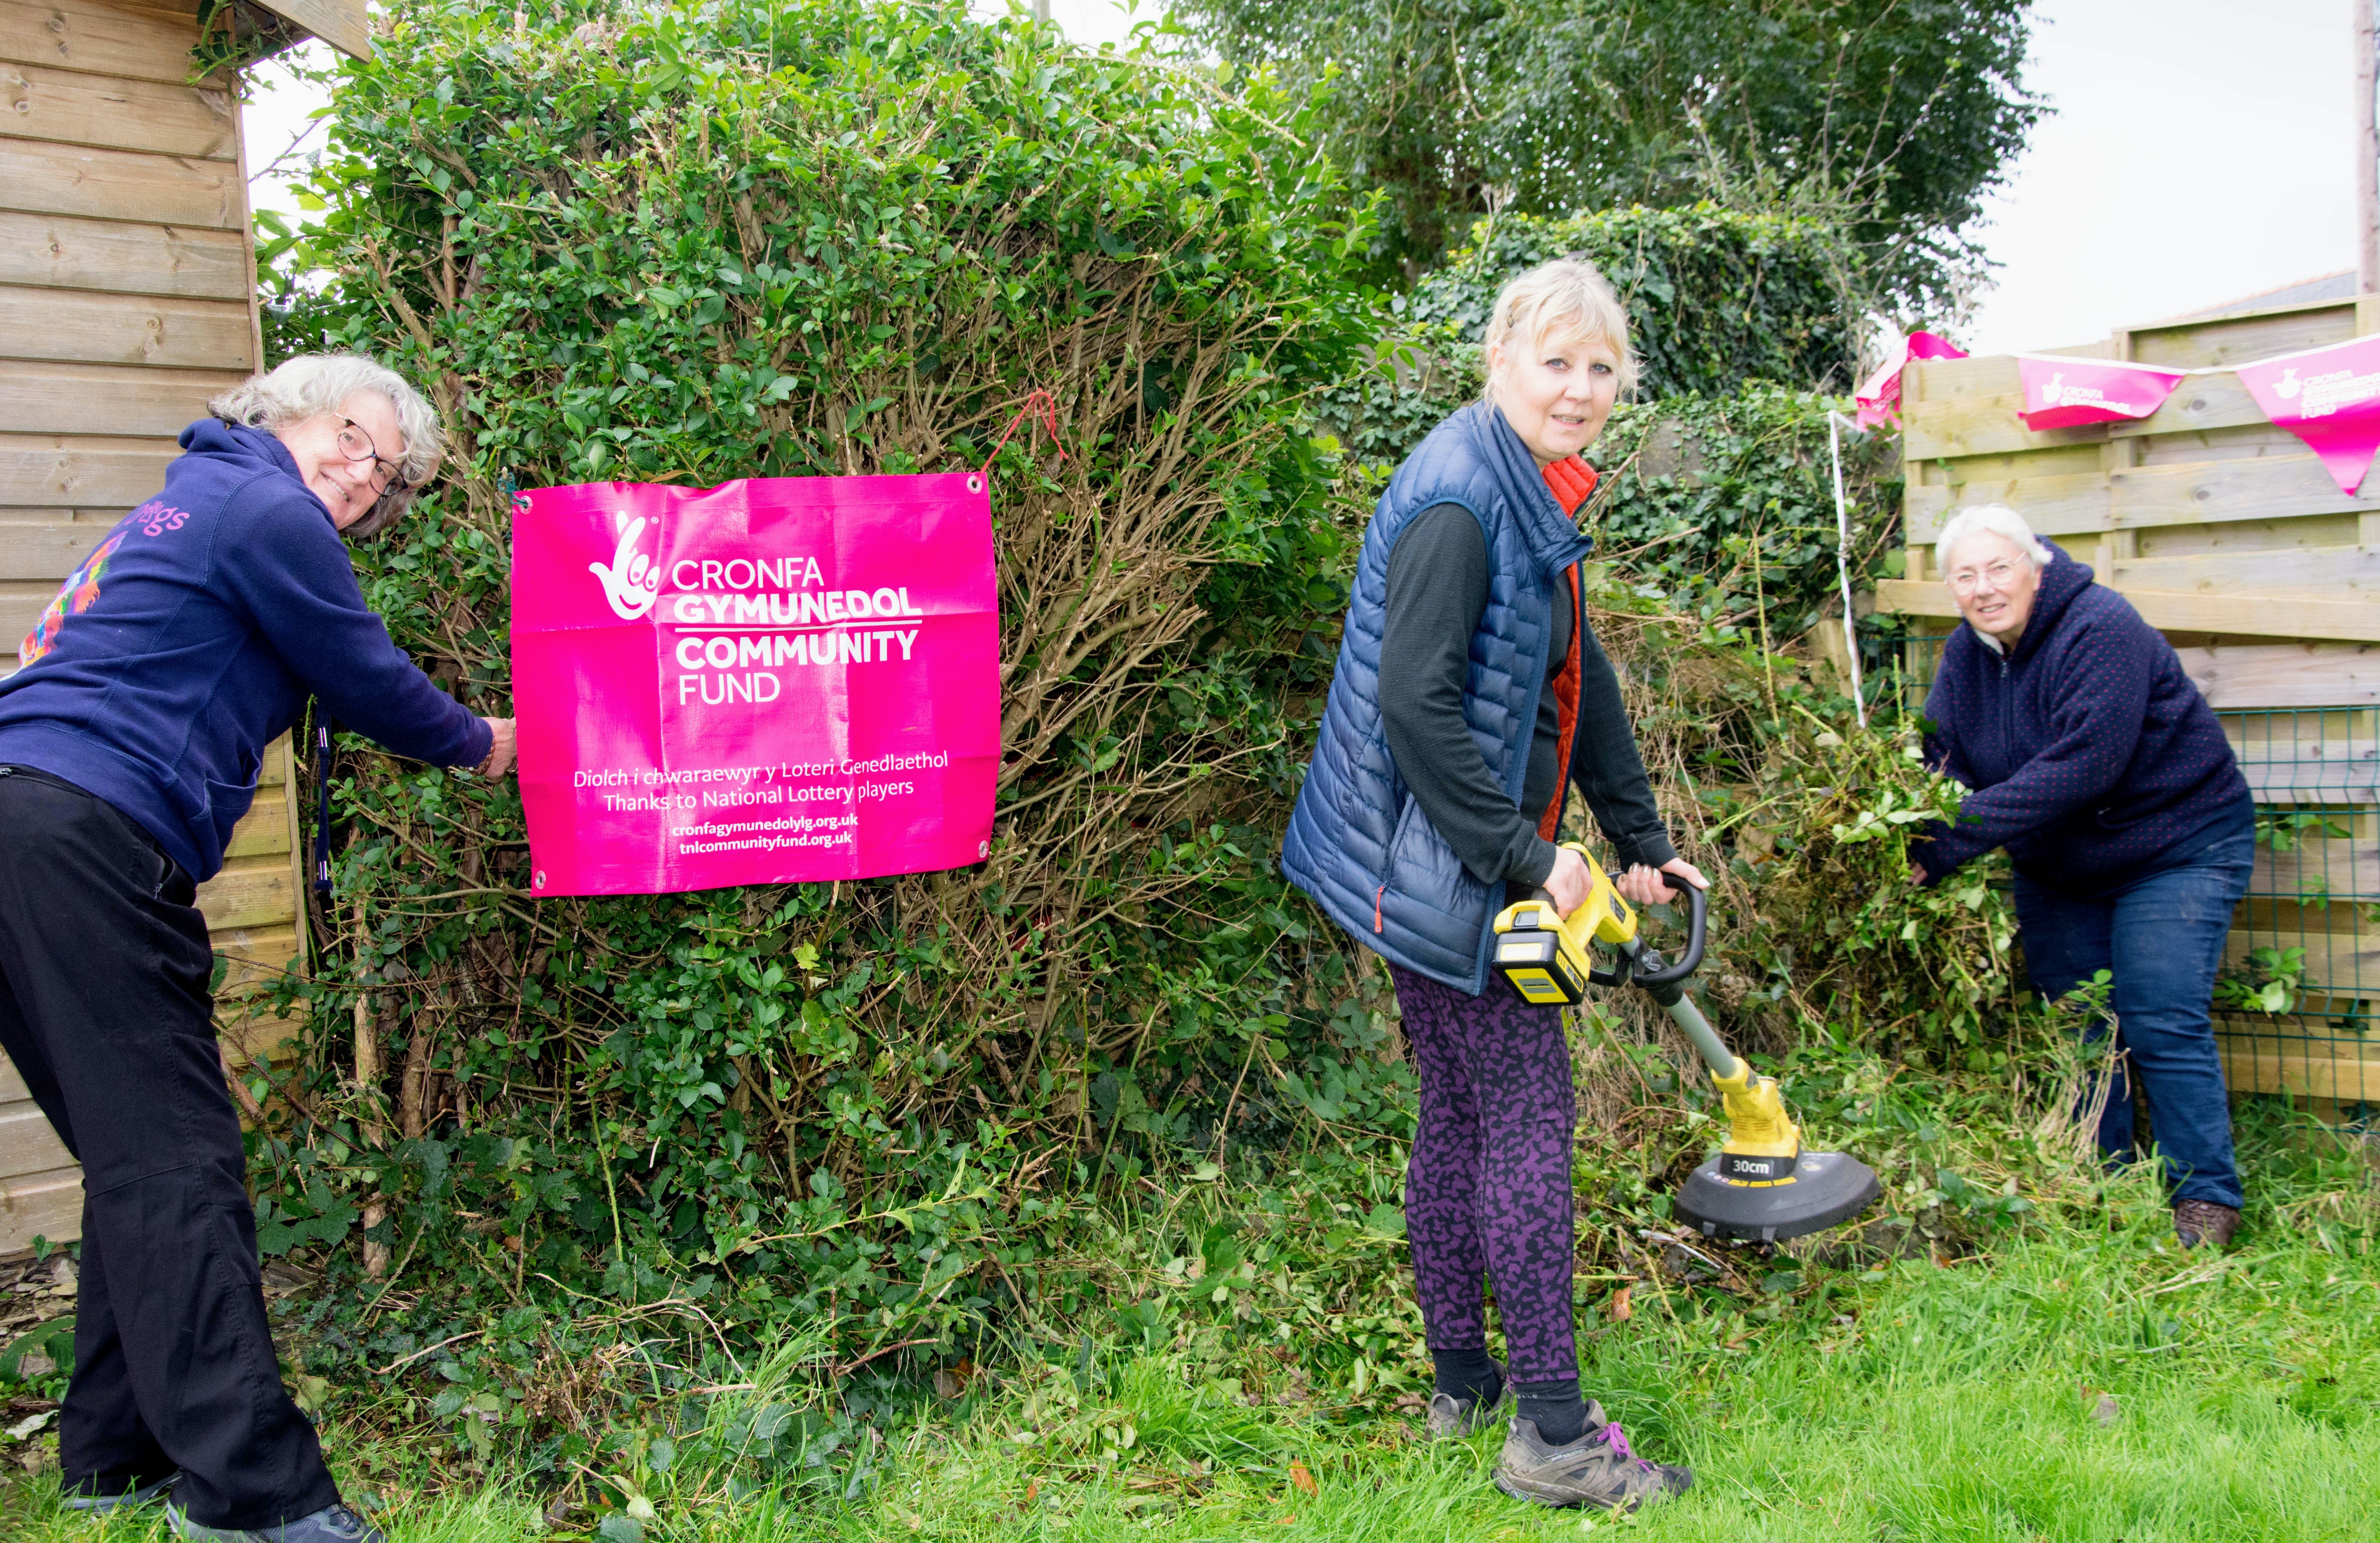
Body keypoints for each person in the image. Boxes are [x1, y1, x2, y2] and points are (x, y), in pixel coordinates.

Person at [0, 354, 514, 1542]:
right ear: (284, 408)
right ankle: (253, 1499)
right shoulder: (263, 505)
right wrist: (482, 743)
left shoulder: (193, 502)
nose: (357, 471)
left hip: (27, 820)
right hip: (82, 835)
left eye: (381, 471)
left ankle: (113, 1456)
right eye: (350, 433)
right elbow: (365, 673)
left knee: (139, 1156)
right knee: (177, 1165)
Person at [1281, 259, 1704, 1513]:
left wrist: (1635, 829)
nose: (1579, 390)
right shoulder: (1464, 503)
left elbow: (1580, 670)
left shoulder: (1530, 487)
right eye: (1555, 362)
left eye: (1600, 369)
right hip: (1442, 866)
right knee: (1522, 1123)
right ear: (1499, 361)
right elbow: (1414, 708)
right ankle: (1552, 1438)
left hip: (1436, 858)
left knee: (1459, 1123)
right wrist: (1530, 860)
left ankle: (1462, 1385)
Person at [1913, 503, 2254, 1250]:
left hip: (2177, 846)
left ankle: (2205, 1199)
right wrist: (1902, 827)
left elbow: (2084, 766)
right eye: (1964, 576)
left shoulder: (2099, 626)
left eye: (1998, 568)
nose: (1983, 588)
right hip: (2061, 865)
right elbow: (1940, 761)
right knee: (2076, 1025)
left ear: (2035, 567)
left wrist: (1944, 847)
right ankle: (2096, 1179)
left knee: (2158, 1010)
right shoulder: (1965, 657)